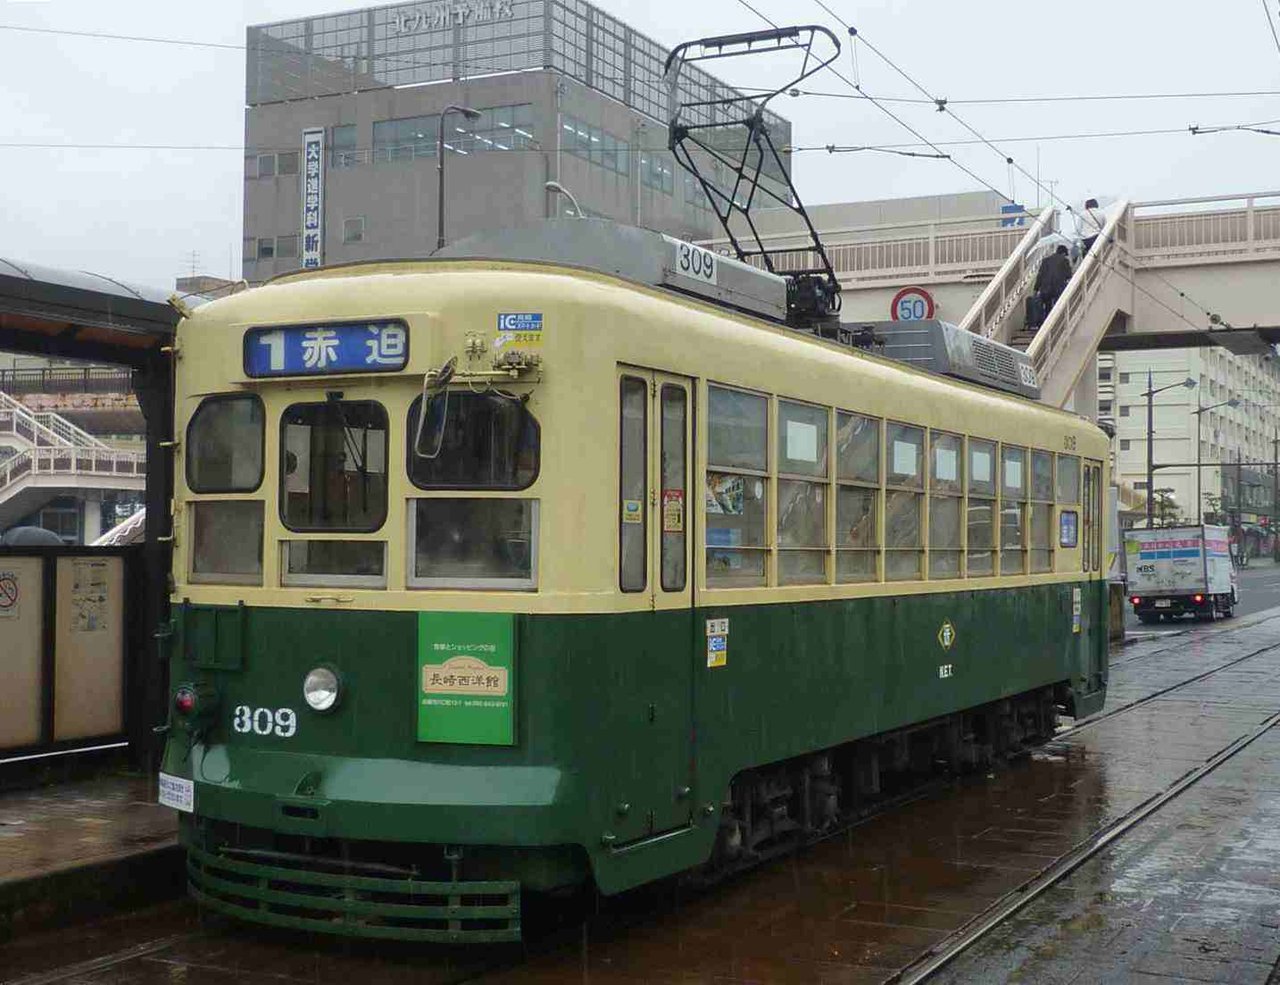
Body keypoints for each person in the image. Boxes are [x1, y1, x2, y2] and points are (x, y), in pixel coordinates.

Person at [1031, 244, 1072, 326]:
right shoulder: (1065, 260)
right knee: (1058, 307)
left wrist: (1036, 289)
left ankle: (1045, 325)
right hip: (1058, 289)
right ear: (1064, 253)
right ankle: (1057, 324)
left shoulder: (1045, 260)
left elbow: (1040, 276)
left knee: (1047, 307)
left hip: (1045, 288)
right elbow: (1069, 275)